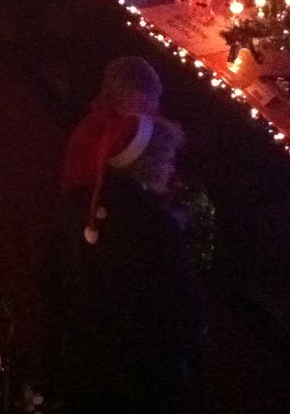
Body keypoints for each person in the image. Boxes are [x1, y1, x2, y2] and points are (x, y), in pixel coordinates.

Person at [43, 114, 204, 414]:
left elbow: (51, 282)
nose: (172, 170)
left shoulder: (77, 202)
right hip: (133, 373)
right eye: (168, 160)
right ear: (150, 165)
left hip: (77, 357)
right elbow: (180, 313)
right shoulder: (156, 227)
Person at [59, 56, 163, 192]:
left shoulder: (98, 117)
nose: (153, 109)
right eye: (147, 103)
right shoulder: (114, 131)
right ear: (128, 97)